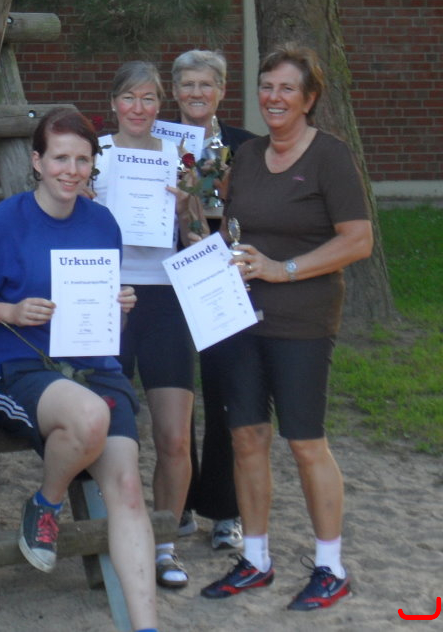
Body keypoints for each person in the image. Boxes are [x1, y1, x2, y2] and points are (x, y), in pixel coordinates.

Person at [0, 107, 158, 632]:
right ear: (37, 161)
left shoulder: (102, 223)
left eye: (82, 160)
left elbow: (106, 317)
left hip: (94, 365)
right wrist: (10, 311)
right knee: (92, 417)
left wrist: (119, 305)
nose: (71, 171)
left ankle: (146, 625)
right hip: (23, 368)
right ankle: (46, 503)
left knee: (127, 488)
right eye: (59, 159)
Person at [201, 44, 371, 610]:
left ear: (309, 98)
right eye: (266, 86)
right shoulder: (248, 155)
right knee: (246, 437)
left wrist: (284, 269)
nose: (274, 97)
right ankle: (255, 558)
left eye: (287, 89)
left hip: (302, 321)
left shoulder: (330, 157)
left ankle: (331, 567)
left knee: (304, 442)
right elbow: (228, 226)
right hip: (240, 319)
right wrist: (193, 215)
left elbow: (358, 240)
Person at [92, 61, 197, 589]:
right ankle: (112, 535)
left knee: (175, 436)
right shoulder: (95, 155)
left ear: (161, 105)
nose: (139, 108)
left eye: (149, 98)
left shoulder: (180, 159)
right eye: (130, 97)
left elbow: (200, 234)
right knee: (109, 432)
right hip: (109, 296)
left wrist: (189, 209)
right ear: (114, 102)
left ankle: (165, 544)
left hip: (166, 297)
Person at [170, 49, 256, 551]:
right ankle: (180, 501)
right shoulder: (156, 144)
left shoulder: (246, 147)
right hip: (166, 279)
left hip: (224, 278)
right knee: (175, 396)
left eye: (206, 84)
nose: (197, 93)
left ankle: (225, 510)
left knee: (225, 393)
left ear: (222, 90)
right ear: (174, 91)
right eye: (188, 84)